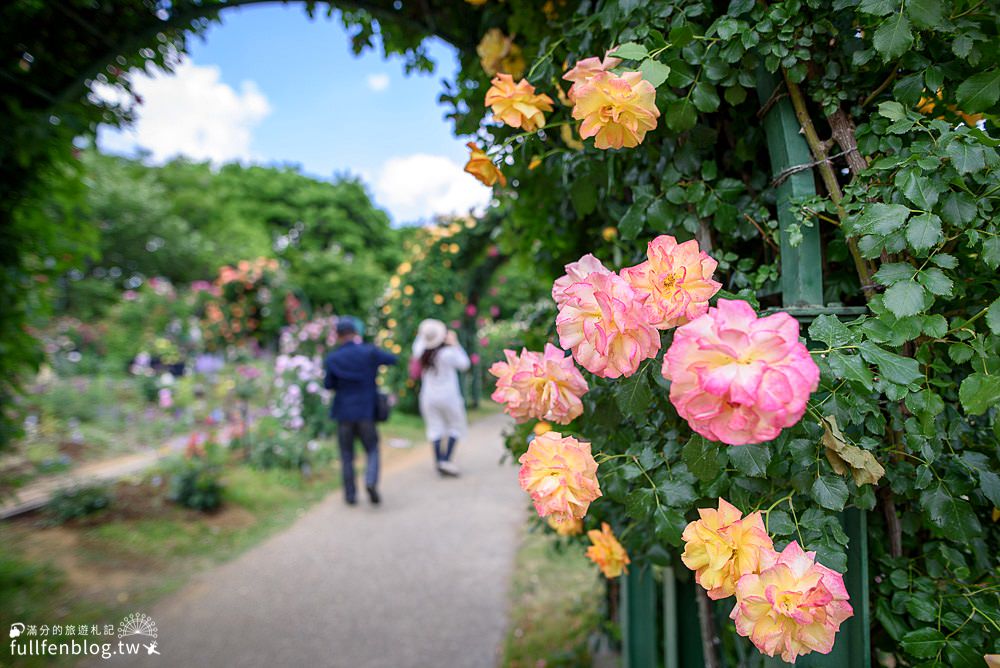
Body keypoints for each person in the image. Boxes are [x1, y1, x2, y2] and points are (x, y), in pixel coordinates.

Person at [323, 316, 397, 505]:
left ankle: (350, 496)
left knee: (347, 454)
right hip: (366, 411)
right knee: (372, 449)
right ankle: (370, 480)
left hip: (344, 413)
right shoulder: (369, 352)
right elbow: (392, 359)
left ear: (338, 336)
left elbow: (328, 385)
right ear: (355, 333)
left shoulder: (333, 358)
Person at [412, 319, 470, 477]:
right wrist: (455, 343)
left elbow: (420, 340)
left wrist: (426, 334)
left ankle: (439, 461)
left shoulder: (420, 351)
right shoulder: (448, 353)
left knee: (434, 428)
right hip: (449, 396)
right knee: (455, 426)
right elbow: (465, 364)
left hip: (428, 396)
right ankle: (445, 460)